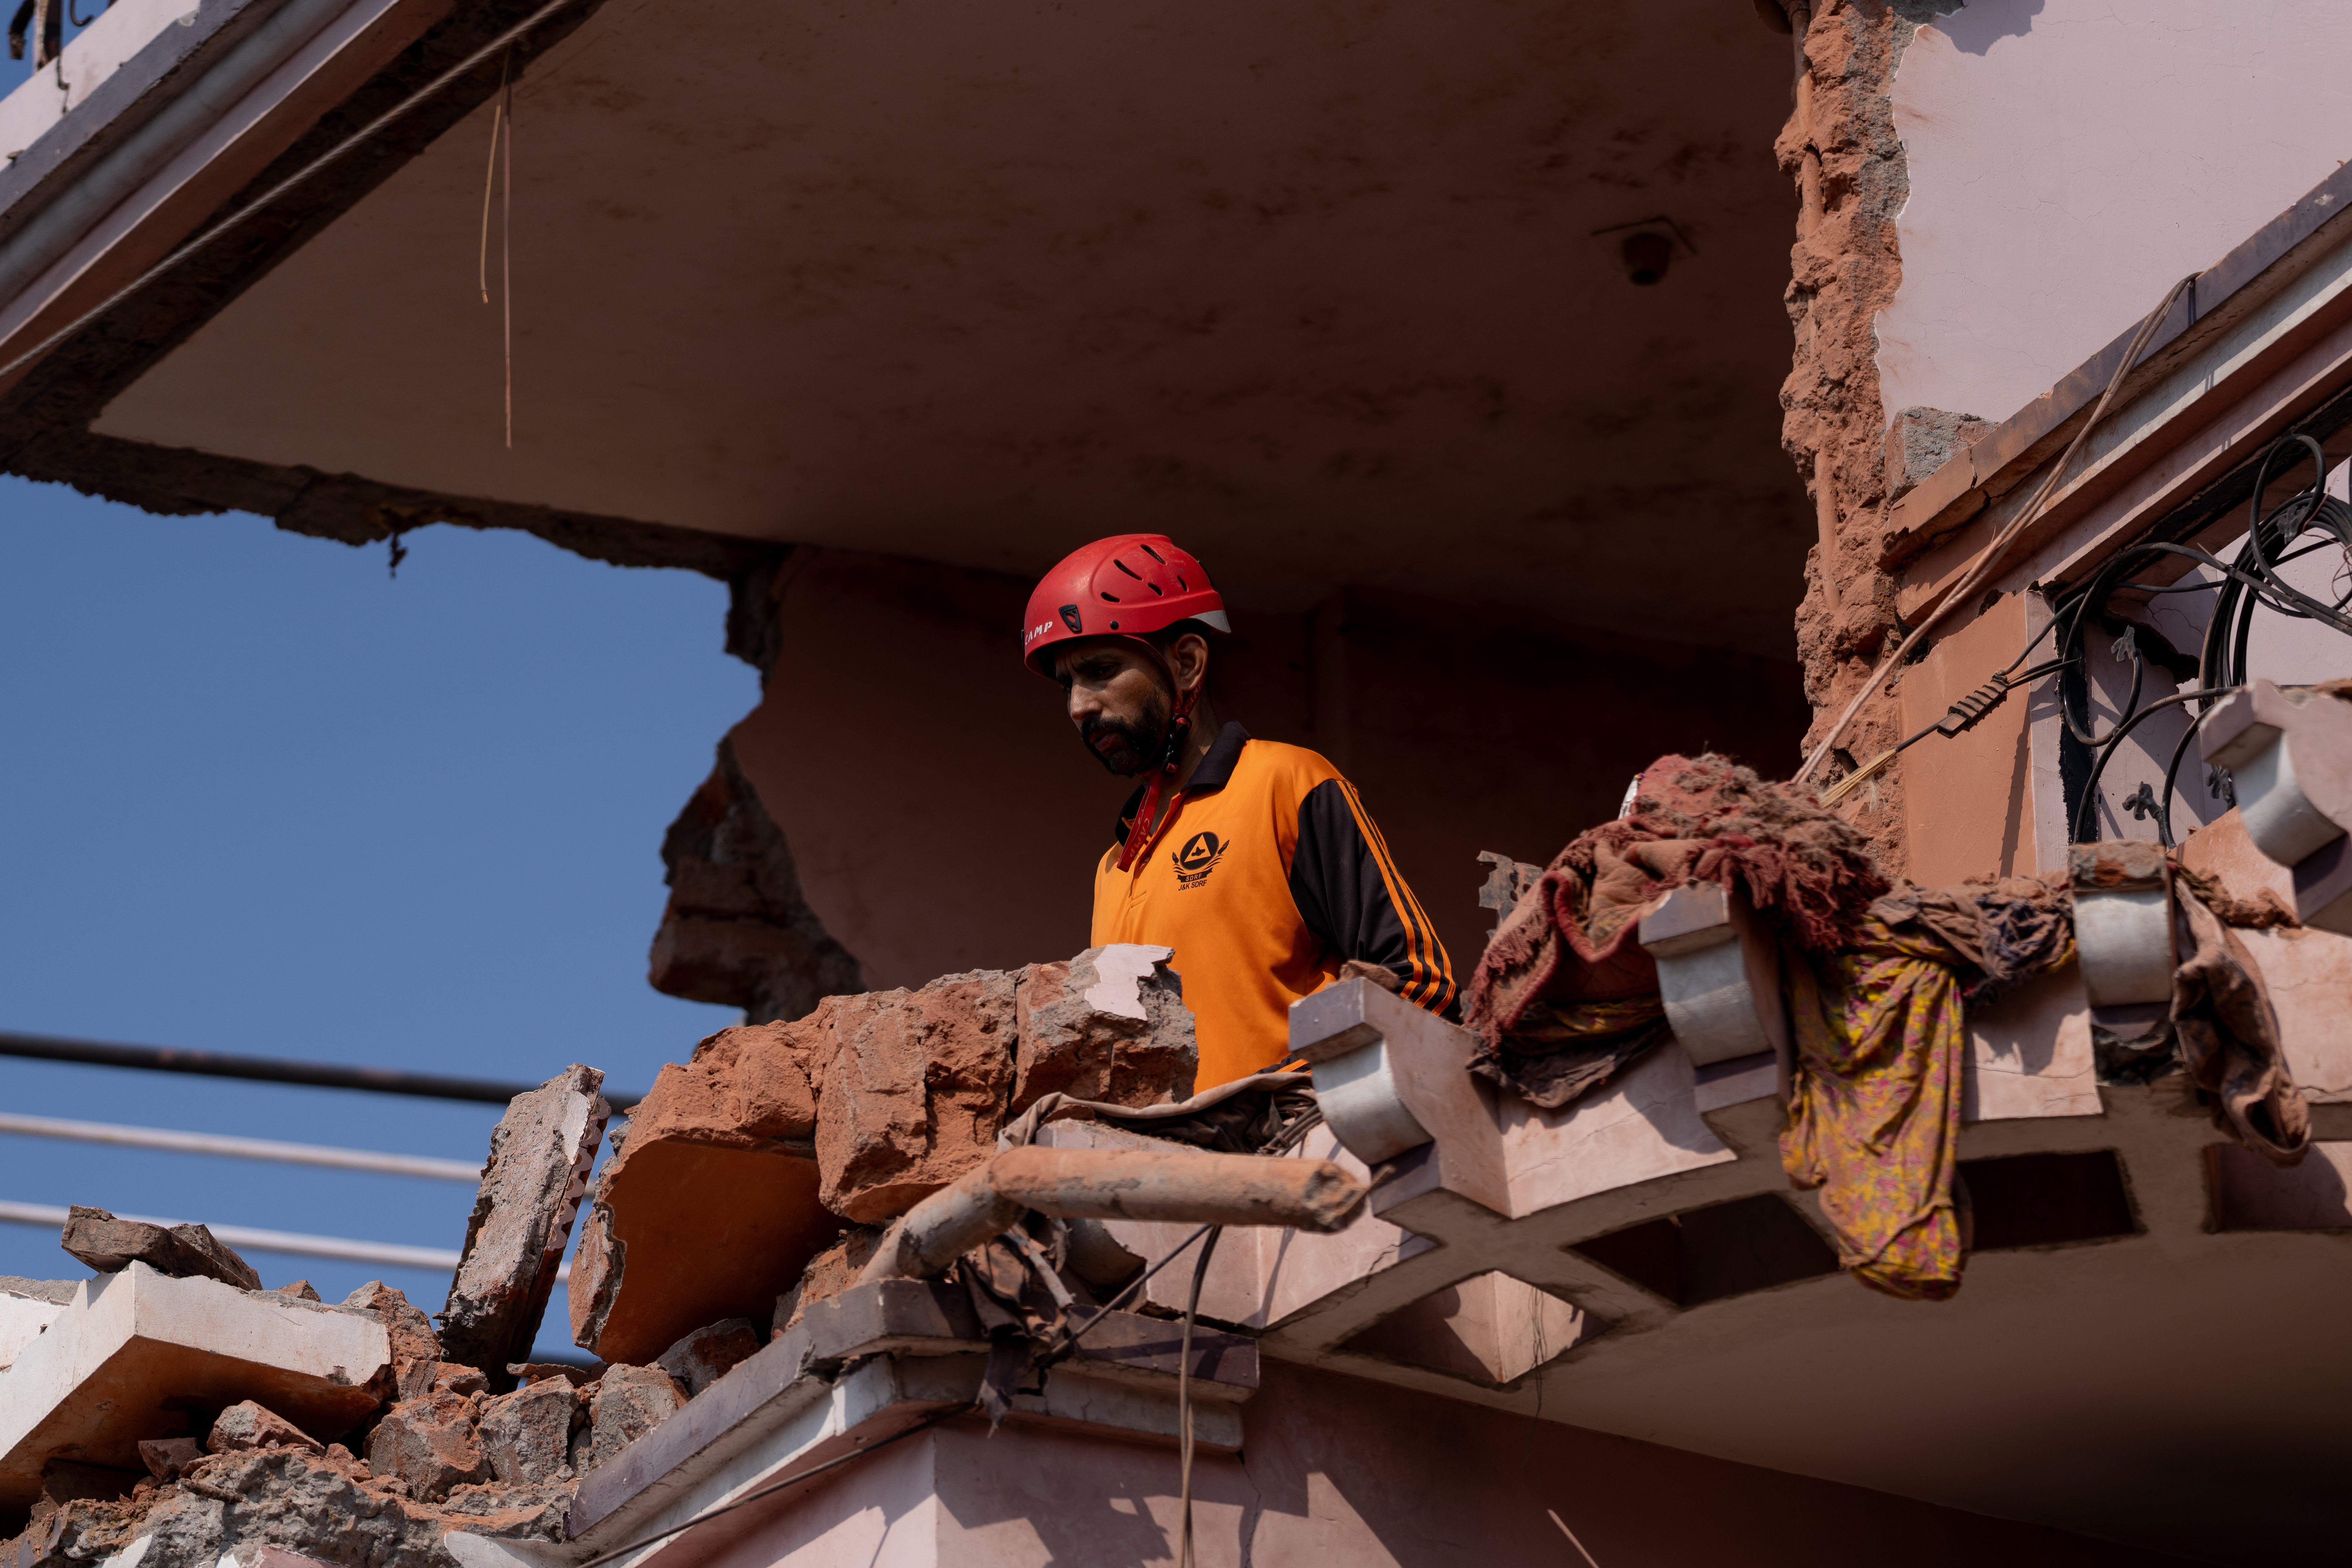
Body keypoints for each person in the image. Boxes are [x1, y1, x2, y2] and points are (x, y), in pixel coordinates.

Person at [1023, 533, 1455, 1090]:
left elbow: (1418, 984)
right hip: (1163, 1171)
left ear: (1185, 662)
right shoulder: (1115, 866)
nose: (1080, 705)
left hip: (1287, 1155)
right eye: (1067, 686)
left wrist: (1267, 1106)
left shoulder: (1286, 781)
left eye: (1100, 670)